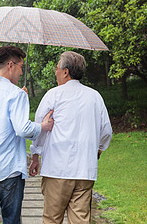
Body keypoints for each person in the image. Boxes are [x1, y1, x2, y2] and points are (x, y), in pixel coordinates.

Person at [0, 45, 54, 224]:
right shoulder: (16, 95)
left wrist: (19, 98)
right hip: (8, 169)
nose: (21, 70)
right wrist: (43, 126)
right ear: (10, 65)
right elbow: (22, 129)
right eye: (21, 66)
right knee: (11, 221)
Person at [29, 51, 112, 224]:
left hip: (57, 170)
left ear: (66, 71)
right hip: (85, 171)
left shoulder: (54, 95)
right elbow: (106, 131)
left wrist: (35, 154)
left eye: (57, 67)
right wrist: (98, 149)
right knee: (80, 220)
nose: (55, 71)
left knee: (52, 219)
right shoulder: (95, 96)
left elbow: (39, 125)